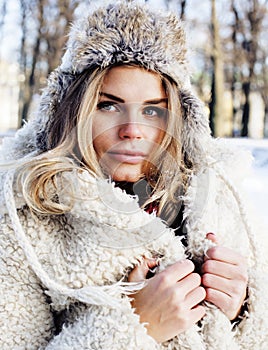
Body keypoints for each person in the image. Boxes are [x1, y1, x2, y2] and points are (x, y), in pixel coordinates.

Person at [0, 2, 267, 349]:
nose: (132, 130)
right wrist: (135, 325)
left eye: (153, 110)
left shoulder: (218, 202)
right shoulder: (22, 223)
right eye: (108, 105)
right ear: (72, 112)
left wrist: (237, 312)